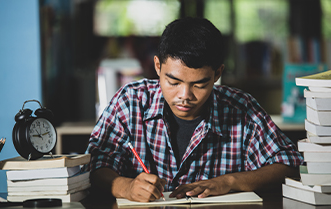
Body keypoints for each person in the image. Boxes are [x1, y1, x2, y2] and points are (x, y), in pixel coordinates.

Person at [84, 17, 304, 202]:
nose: (185, 96)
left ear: (217, 74)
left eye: (199, 84)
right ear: (158, 67)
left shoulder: (242, 110)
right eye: (174, 82)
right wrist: (126, 187)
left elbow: (289, 165)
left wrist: (229, 181)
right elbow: (93, 165)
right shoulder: (130, 102)